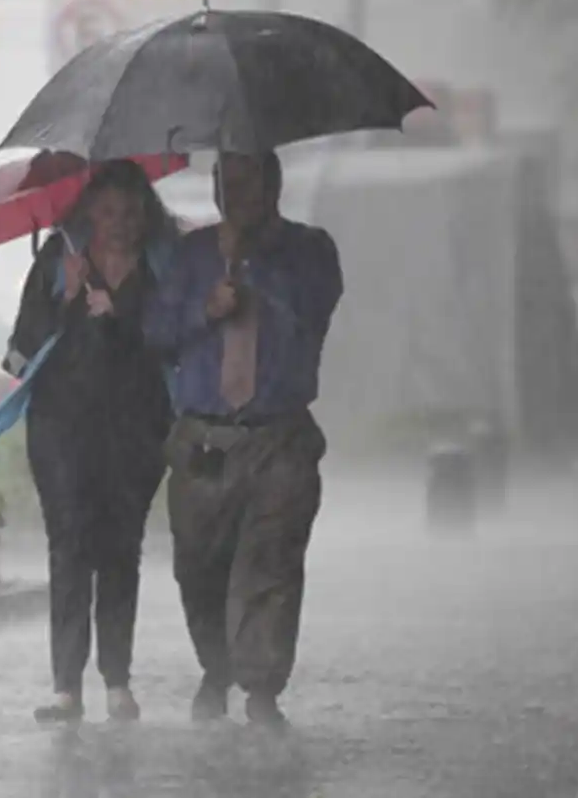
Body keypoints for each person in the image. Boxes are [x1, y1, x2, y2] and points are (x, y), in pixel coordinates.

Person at [142, 151, 343, 730]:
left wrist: (253, 268)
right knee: (199, 567)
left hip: (278, 437)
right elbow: (158, 332)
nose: (237, 194)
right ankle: (217, 668)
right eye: (225, 184)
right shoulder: (192, 255)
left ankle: (260, 689)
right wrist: (208, 308)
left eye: (248, 181)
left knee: (270, 565)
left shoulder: (309, 251)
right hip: (204, 439)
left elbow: (313, 312)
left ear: (273, 186)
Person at [5, 159, 178, 724]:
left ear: (146, 215)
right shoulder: (59, 261)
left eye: (131, 212)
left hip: (136, 430)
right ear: (89, 213)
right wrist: (66, 299)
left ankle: (117, 681)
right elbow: (18, 354)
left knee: (121, 548)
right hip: (62, 429)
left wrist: (122, 312)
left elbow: (179, 340)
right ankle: (65, 687)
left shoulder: (163, 269)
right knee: (70, 545)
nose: (120, 223)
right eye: (107, 212)